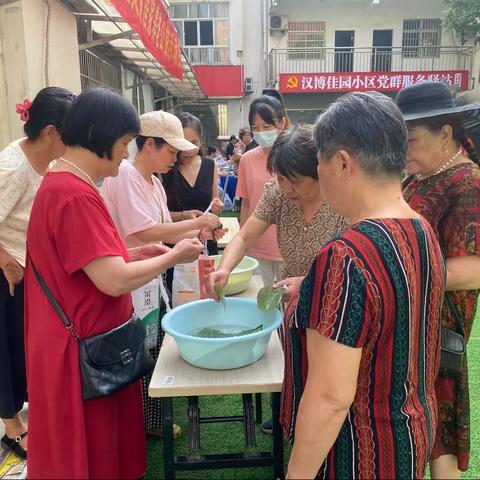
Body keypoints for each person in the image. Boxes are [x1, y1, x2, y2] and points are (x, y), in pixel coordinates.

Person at [24, 89, 204, 479]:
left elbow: (91, 262)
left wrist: (138, 254)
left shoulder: (68, 185)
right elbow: (111, 280)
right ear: (99, 134)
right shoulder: (74, 194)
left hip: (78, 340)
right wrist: (172, 256)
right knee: (91, 451)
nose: (126, 154)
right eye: (124, 143)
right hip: (83, 349)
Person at [282, 92, 445, 479]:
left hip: (359, 453)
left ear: (341, 163)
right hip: (411, 433)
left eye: (318, 161)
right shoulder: (423, 230)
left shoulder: (345, 256)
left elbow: (329, 399)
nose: (318, 174)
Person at [102, 110, 223, 439]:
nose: (176, 158)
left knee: (150, 343)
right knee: (139, 348)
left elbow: (160, 219)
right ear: (149, 145)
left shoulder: (152, 180)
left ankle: (151, 419)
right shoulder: (125, 176)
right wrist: (196, 224)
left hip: (148, 274)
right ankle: (142, 420)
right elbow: (143, 231)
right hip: (131, 273)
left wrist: (190, 219)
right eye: (171, 151)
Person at [397, 81, 480, 479]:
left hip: (438, 328)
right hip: (410, 324)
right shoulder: (418, 177)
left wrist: (398, 269)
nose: (404, 151)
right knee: (422, 422)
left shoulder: (467, 183)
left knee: (439, 428)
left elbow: (473, 269)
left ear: (445, 134)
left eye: (410, 140)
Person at [0, 87, 73, 461]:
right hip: (7, 273)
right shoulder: (12, 167)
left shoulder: (51, 162)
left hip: (30, 271)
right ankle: (13, 427)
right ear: (52, 133)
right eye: (72, 132)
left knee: (26, 348)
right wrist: (4, 259)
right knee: (7, 352)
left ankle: (29, 413)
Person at [235, 89, 289, 285]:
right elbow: (246, 204)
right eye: (255, 128)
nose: (261, 133)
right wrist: (242, 241)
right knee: (261, 305)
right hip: (258, 245)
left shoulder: (295, 156)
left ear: (281, 123)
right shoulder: (247, 160)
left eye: (266, 126)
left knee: (290, 306)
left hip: (288, 245)